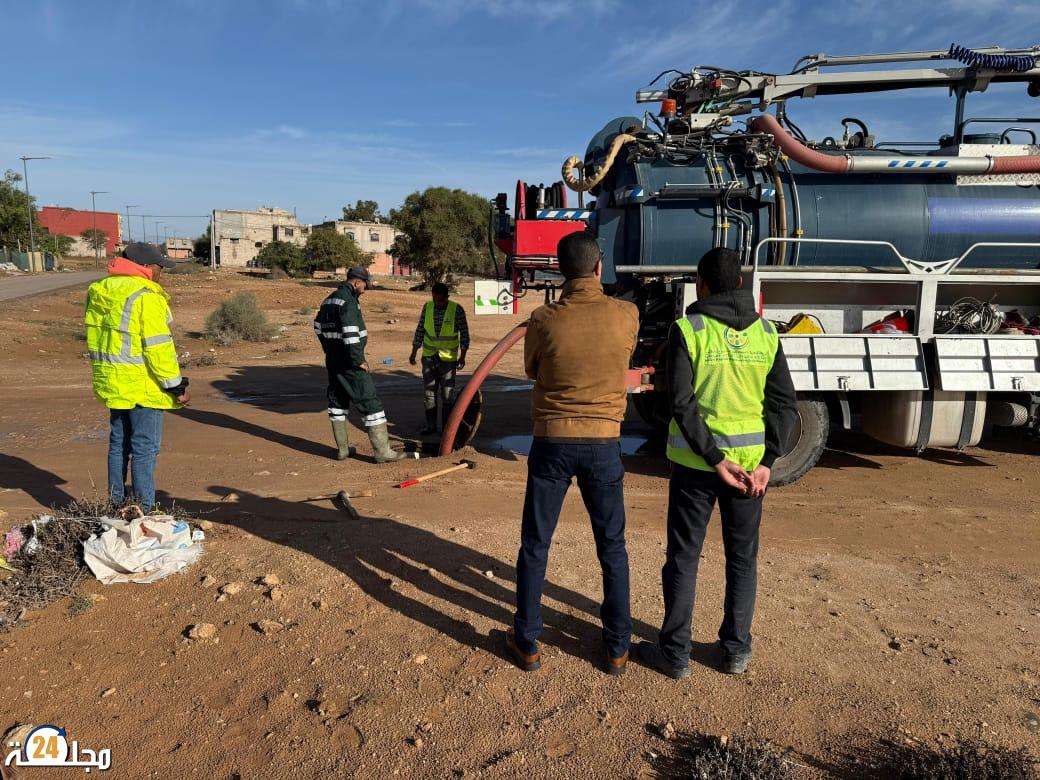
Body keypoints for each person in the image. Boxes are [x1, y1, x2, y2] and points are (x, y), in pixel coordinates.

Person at [637, 247, 797, 680]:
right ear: (741, 284)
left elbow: (681, 403)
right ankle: (735, 651)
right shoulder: (766, 333)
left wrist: (713, 458)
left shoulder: (688, 331)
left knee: (684, 558)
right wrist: (768, 461)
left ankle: (674, 654)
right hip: (749, 473)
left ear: (701, 285)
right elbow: (785, 405)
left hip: (695, 468)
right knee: (742, 560)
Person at [507, 231, 639, 676]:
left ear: (560, 271)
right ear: (599, 267)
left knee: (535, 545)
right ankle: (618, 648)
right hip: (605, 444)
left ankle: (527, 643)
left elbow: (531, 369)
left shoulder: (543, 319)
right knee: (612, 548)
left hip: (552, 442)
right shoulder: (627, 315)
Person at [85, 242, 190, 511]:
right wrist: (176, 387)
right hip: (144, 386)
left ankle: (115, 505)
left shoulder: (99, 291)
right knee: (144, 449)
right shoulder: (146, 296)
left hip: (113, 383)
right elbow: (158, 348)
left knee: (118, 445)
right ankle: (144, 509)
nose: (161, 273)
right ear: (144, 267)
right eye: (159, 267)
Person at [314, 266, 413, 463]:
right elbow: (351, 334)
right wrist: (358, 360)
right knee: (370, 402)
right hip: (350, 363)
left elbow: (317, 327)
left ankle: (342, 449)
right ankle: (382, 452)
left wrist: (330, 350)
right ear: (357, 282)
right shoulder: (349, 302)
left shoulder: (329, 300)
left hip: (333, 361)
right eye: (365, 285)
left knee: (337, 403)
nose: (366, 289)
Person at [409, 282, 470, 435]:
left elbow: (465, 335)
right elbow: (420, 330)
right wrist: (414, 351)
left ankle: (446, 431)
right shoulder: (428, 307)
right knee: (429, 394)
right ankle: (430, 427)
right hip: (429, 357)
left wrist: (462, 357)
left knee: (447, 396)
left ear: (447, 297)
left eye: (441, 300)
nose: (437, 303)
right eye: (435, 300)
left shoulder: (456, 310)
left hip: (448, 360)